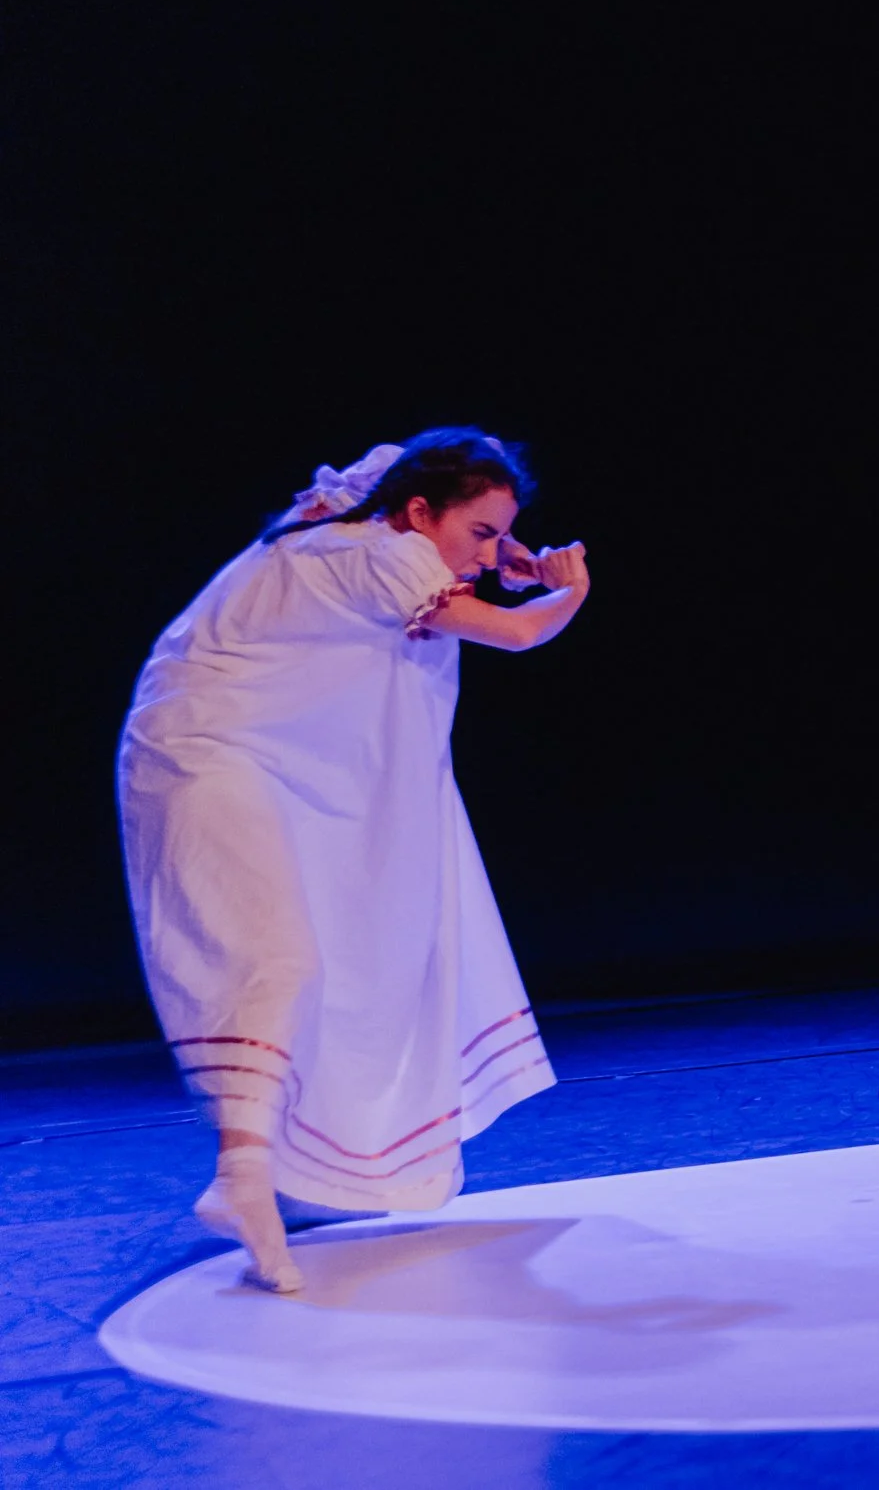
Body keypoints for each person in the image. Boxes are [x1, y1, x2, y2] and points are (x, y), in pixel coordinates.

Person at [119, 429, 591, 1292]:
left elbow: (396, 465)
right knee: (279, 957)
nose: (489, 554)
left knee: (326, 951)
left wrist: (503, 550)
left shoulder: (358, 518)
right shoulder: (382, 555)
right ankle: (243, 1175)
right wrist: (565, 592)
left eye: (498, 535)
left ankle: (268, 1167)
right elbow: (515, 636)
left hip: (271, 754)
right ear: (419, 513)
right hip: (199, 750)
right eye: (479, 533)